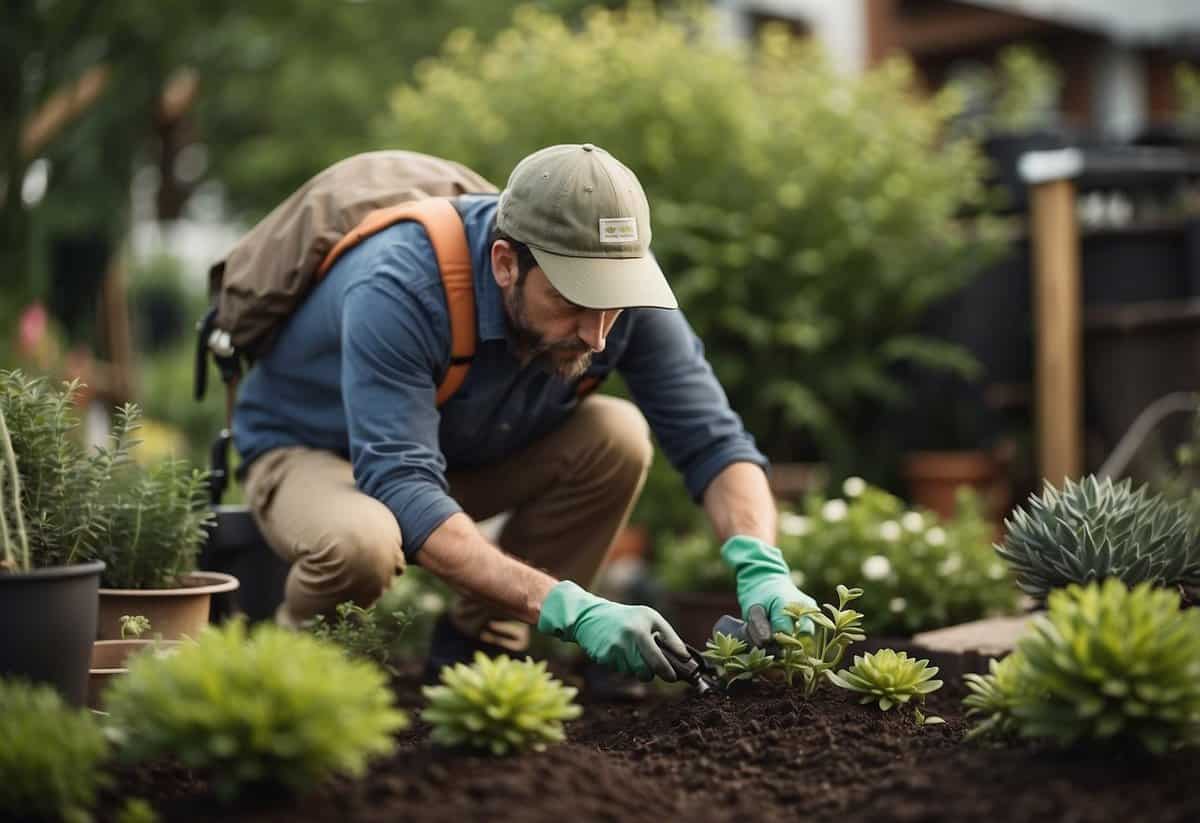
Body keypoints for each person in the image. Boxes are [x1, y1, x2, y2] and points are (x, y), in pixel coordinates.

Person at [231, 142, 815, 684]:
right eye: (572, 299)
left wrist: (762, 566)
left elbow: (714, 440)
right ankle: (292, 680)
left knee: (618, 437)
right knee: (363, 542)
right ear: (506, 263)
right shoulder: (399, 284)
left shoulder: (614, 286)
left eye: (611, 303)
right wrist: (569, 606)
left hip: (451, 455)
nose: (598, 335)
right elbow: (402, 485)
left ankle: (478, 653)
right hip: (317, 456)